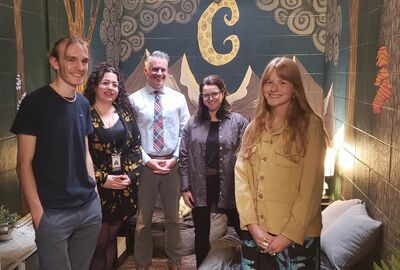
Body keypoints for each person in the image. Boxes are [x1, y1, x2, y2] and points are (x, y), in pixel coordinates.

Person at [10, 36, 102, 270]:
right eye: (71, 59)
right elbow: (23, 164)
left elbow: (85, 152)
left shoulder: (82, 104)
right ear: (54, 62)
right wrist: (39, 215)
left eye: (84, 61)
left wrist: (95, 193)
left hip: (88, 209)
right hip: (53, 213)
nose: (79, 67)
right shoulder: (34, 103)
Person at [235, 57, 327, 269]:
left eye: (282, 82)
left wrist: (288, 235)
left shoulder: (311, 126)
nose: (274, 88)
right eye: (269, 82)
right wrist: (253, 226)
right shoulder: (254, 127)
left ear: (294, 87)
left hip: (296, 237)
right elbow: (241, 178)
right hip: (256, 234)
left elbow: (311, 188)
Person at [129, 50, 190, 270]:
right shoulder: (134, 100)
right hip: (146, 165)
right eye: (155, 69)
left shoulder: (178, 98)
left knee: (173, 218)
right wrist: (147, 160)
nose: (159, 73)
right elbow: (131, 135)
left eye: (163, 69)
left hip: (171, 165)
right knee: (143, 220)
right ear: (146, 70)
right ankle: (142, 263)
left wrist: (174, 159)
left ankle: (174, 260)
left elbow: (185, 132)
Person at [179, 75, 248, 267]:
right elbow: (183, 157)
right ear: (201, 97)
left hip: (229, 185)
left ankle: (251, 262)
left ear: (223, 93)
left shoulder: (238, 122)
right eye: (205, 95)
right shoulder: (192, 123)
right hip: (200, 185)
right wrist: (185, 188)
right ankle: (203, 266)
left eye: (214, 94)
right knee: (201, 232)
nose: (210, 98)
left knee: (242, 227)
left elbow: (250, 153)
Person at [83, 63, 142, 270]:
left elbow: (135, 146)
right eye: (105, 83)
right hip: (96, 190)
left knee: (110, 240)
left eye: (115, 84)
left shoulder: (125, 114)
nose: (110, 88)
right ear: (95, 86)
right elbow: (80, 155)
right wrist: (102, 179)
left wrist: (131, 176)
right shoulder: (84, 115)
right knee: (97, 245)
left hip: (122, 190)